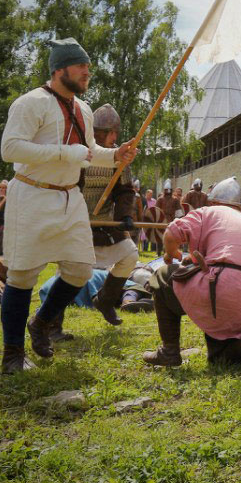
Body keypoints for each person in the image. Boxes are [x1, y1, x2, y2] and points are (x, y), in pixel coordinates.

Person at [0, 38, 138, 373]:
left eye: (88, 66)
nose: (88, 72)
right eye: (80, 66)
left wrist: (115, 155)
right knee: (21, 276)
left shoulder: (83, 109)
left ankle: (41, 323)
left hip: (69, 199)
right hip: (32, 195)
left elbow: (88, 152)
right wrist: (64, 153)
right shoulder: (30, 103)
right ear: (60, 69)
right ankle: (13, 353)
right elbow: (10, 149)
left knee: (80, 270)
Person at [141, 177, 241, 372]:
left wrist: (171, 254)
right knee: (220, 357)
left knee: (164, 275)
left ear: (214, 202)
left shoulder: (207, 213)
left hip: (220, 289)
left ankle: (169, 351)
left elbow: (171, 234)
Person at [77, 103, 141, 332]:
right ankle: (51, 322)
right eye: (109, 132)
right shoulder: (82, 152)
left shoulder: (119, 158)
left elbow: (125, 191)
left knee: (130, 255)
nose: (114, 137)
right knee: (69, 272)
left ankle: (105, 299)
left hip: (105, 224)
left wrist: (125, 216)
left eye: (115, 132)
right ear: (98, 133)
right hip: (76, 223)